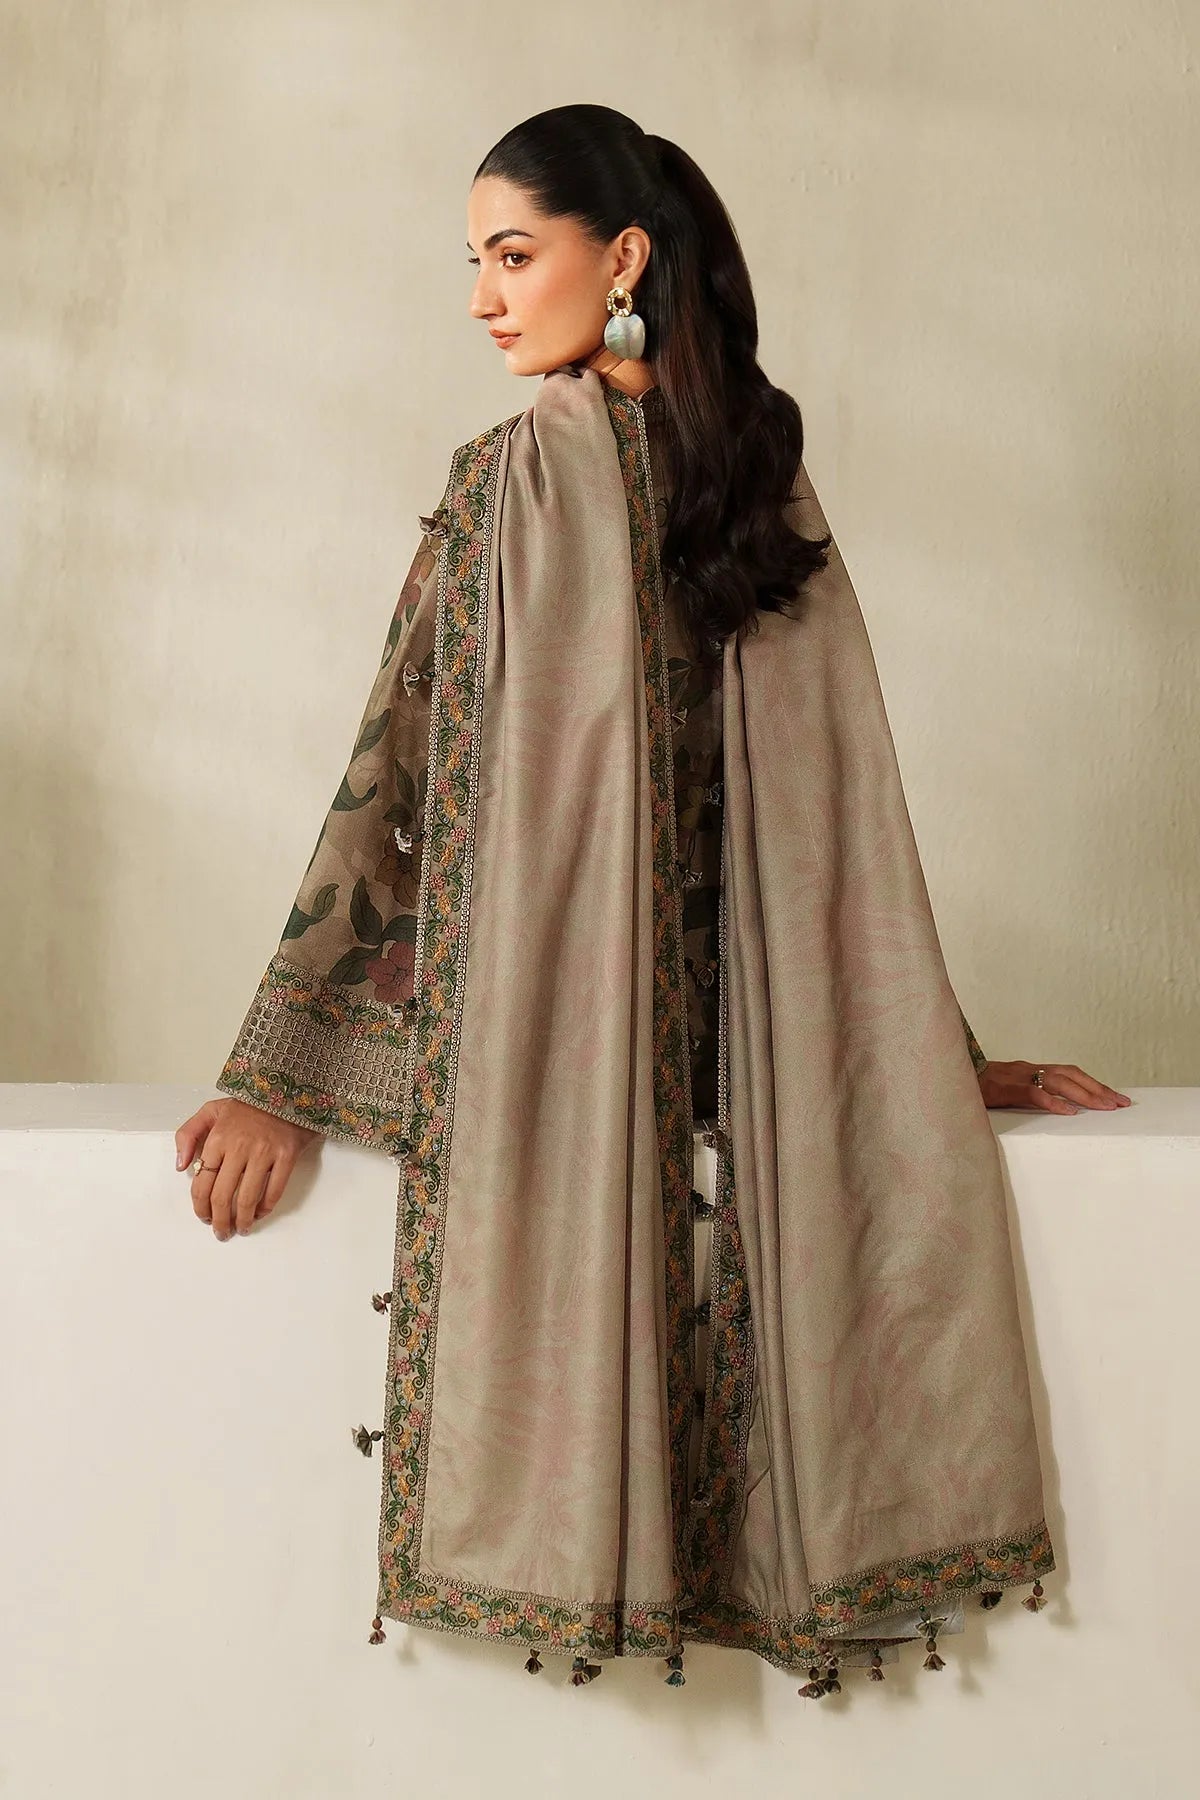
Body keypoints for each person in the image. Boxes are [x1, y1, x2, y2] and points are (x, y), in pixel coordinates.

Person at [175, 105, 1126, 1694]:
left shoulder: (751, 484)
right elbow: (403, 775)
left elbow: (832, 826)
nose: (483, 298)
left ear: (619, 259)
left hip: (700, 1068)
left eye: (512, 255)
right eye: (474, 262)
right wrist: (281, 1076)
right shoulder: (525, 487)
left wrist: (933, 1056)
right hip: (599, 1058)